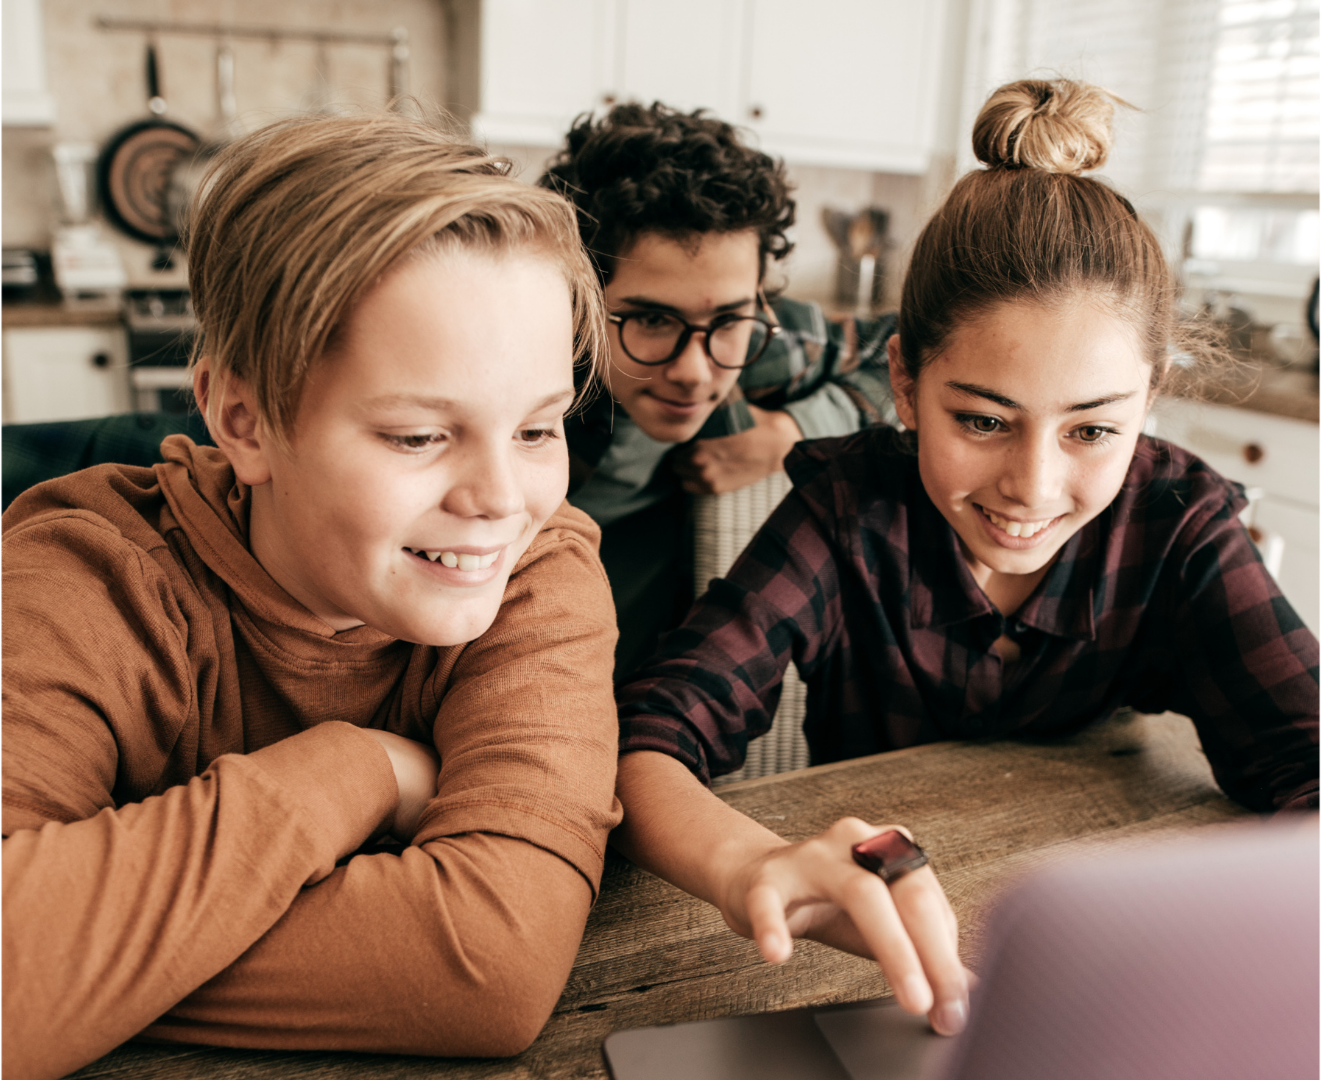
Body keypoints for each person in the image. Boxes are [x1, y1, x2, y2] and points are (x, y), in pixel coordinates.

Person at [609, 80, 1322, 1039]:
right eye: (983, 420)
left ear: (1147, 402)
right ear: (904, 381)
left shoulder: (1178, 523)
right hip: (867, 972)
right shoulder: (848, 511)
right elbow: (651, 735)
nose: (1031, 485)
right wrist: (744, 864)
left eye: (1092, 430)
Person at [1, 114, 622, 1079]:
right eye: (419, 436)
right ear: (242, 420)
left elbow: (489, 962)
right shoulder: (85, 580)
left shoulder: (536, 568)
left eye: (538, 431)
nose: (501, 499)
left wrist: (91, 956)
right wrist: (361, 768)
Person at [539, 103, 896, 678]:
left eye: (730, 320)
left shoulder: (762, 345)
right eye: (652, 320)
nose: (696, 372)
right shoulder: (519, 382)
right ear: (579, 300)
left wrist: (789, 432)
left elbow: (912, 350)